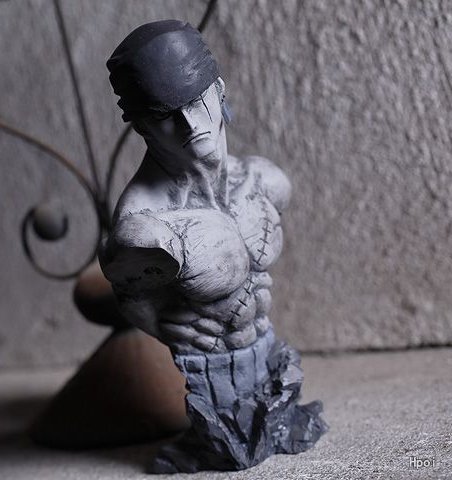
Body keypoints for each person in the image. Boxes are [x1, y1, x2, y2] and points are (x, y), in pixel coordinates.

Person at [101, 20, 326, 472]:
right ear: (142, 125)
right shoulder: (145, 221)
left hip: (269, 357)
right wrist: (165, 328)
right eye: (166, 115)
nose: (189, 125)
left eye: (196, 102)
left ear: (219, 91)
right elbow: (129, 293)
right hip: (213, 379)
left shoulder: (263, 179)